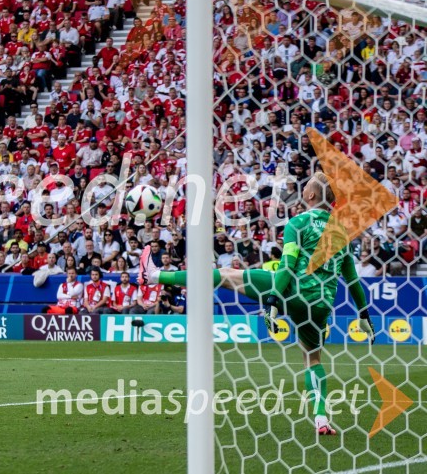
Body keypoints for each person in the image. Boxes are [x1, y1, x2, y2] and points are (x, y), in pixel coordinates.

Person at [140, 172, 376, 436]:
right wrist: (364, 314)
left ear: (310, 195)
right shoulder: (342, 231)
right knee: (313, 359)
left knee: (227, 275)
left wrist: (274, 299)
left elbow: (287, 266)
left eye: (306, 183)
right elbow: (353, 281)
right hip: (320, 306)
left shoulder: (298, 223)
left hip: (292, 291)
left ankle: (157, 275)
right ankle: (321, 417)